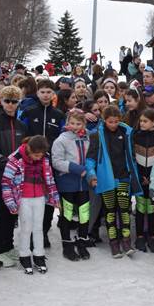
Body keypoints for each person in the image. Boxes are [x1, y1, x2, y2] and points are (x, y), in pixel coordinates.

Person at [86, 105, 143, 258]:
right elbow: (90, 158)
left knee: (124, 210)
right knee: (110, 211)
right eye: (110, 122)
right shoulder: (96, 135)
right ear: (104, 120)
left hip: (124, 176)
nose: (114, 125)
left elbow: (131, 155)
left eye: (116, 121)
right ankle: (113, 242)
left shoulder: (126, 132)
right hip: (106, 179)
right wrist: (91, 174)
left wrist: (135, 175)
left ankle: (126, 240)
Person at [2, 136, 60, 274]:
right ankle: (24, 255)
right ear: (29, 149)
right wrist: (11, 203)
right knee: (26, 228)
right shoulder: (15, 159)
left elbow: (50, 178)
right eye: (36, 155)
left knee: (38, 228)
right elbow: (6, 182)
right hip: (23, 198)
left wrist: (55, 197)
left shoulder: (45, 158)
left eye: (40, 155)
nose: (38, 158)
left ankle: (39, 254)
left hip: (39, 197)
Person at [0, 86, 27, 267]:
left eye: (14, 101)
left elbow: (26, 150)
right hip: (0, 177)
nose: (10, 105)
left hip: (17, 179)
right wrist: (9, 165)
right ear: (1, 101)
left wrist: (21, 167)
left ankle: (8, 245)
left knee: (12, 213)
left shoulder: (22, 126)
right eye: (7, 101)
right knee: (0, 213)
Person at [21, 79, 65, 248]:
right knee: (31, 198)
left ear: (53, 94)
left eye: (49, 92)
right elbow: (21, 136)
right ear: (37, 93)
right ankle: (30, 232)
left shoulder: (59, 115)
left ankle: (44, 232)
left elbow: (62, 138)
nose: (46, 95)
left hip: (51, 162)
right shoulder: (28, 112)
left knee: (48, 199)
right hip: (31, 163)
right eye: (43, 92)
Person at [51, 110, 92, 261]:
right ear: (67, 123)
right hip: (67, 182)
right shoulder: (61, 140)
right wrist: (76, 168)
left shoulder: (88, 137)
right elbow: (56, 161)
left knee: (84, 213)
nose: (75, 126)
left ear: (84, 124)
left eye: (78, 123)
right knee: (67, 214)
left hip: (84, 183)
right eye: (72, 123)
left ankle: (82, 241)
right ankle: (67, 244)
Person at [132, 109, 154, 253]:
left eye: (145, 121)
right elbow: (133, 158)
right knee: (140, 207)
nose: (142, 123)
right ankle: (139, 236)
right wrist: (140, 176)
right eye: (141, 121)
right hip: (140, 177)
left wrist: (153, 178)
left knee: (152, 208)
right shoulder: (136, 136)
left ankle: (152, 236)